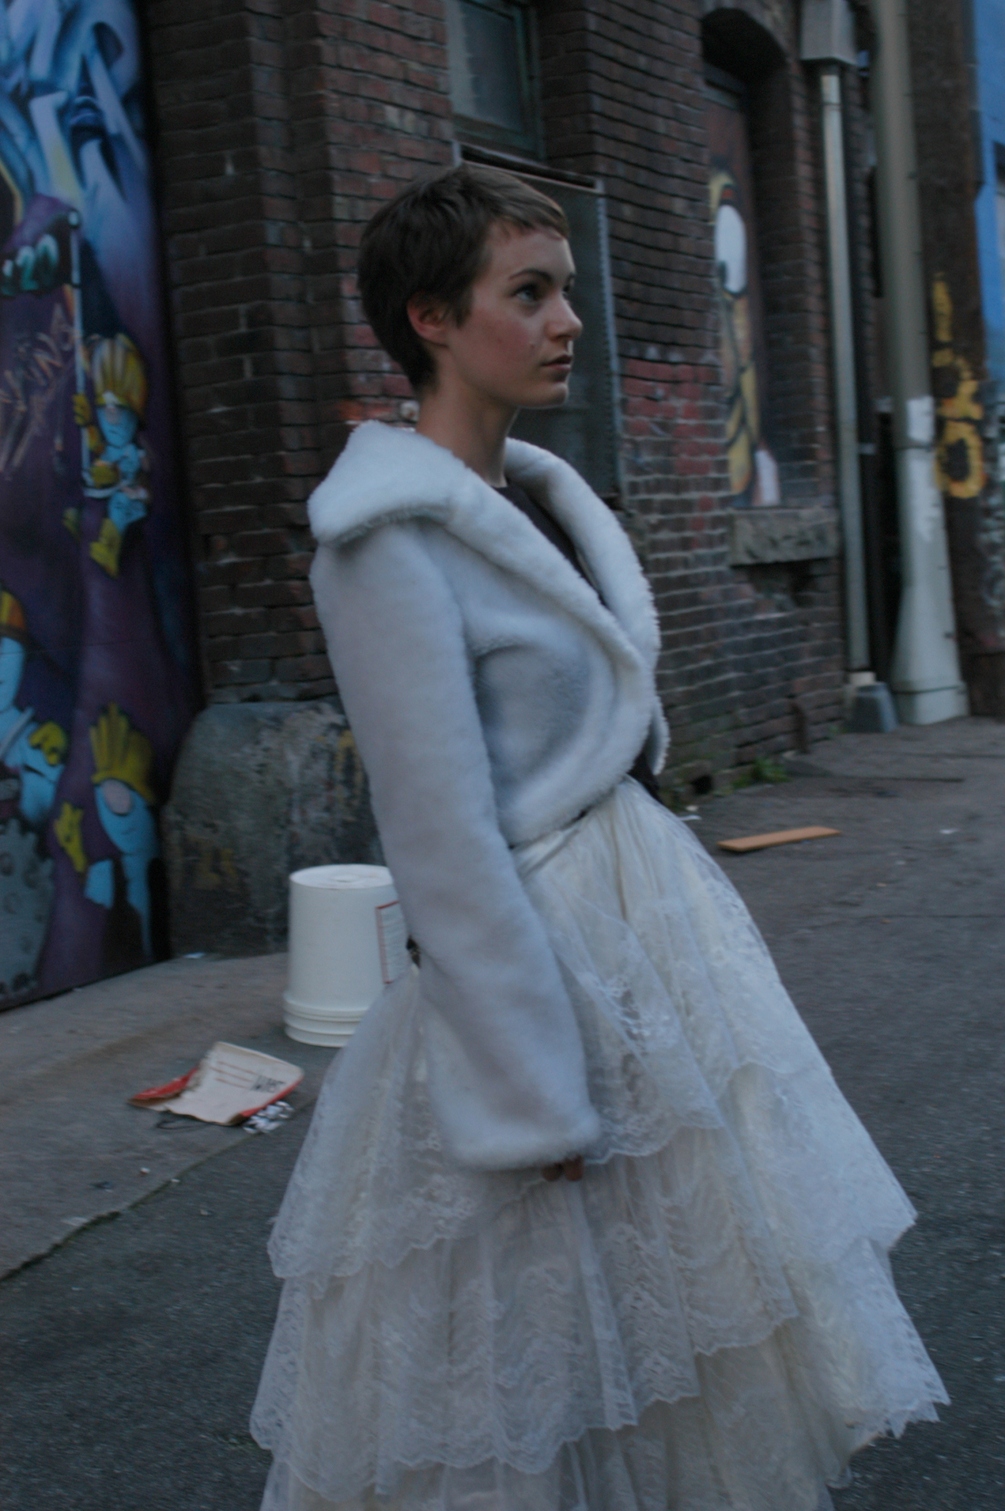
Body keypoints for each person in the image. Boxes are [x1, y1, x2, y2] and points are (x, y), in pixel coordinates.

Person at [251, 163, 946, 1511]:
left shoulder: (534, 498)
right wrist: (527, 1088)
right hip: (537, 967)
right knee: (531, 1328)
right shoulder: (383, 544)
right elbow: (438, 838)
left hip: (639, 937)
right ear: (430, 319)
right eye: (529, 293)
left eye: (565, 290)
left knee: (667, 1307)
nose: (569, 321)